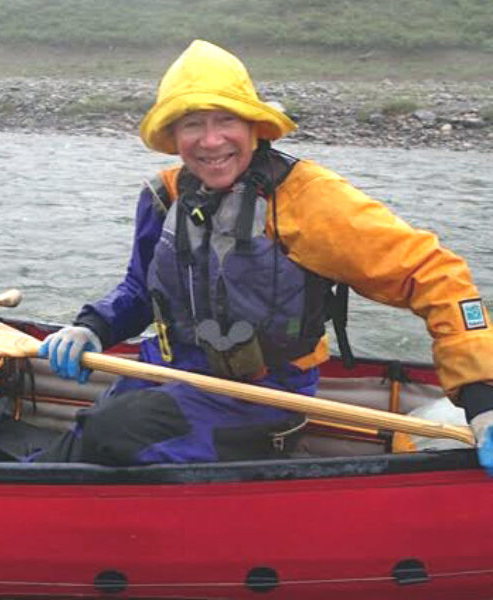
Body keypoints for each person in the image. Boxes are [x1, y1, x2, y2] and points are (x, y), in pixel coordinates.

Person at [38, 39, 493, 469]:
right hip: (169, 377)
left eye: (226, 121)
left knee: (109, 431)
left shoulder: (309, 201)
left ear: (254, 127)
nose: (211, 141)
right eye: (193, 123)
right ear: (174, 134)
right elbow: (140, 291)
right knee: (96, 422)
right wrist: (92, 326)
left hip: (264, 399)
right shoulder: (166, 195)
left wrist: (482, 398)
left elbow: (434, 273)